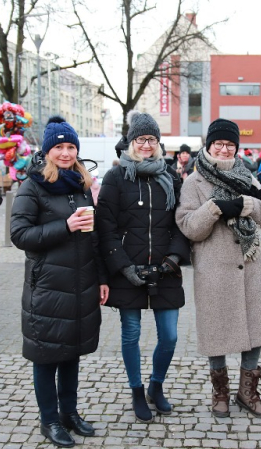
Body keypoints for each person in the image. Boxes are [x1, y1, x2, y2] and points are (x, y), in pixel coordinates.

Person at [10, 117, 108, 448]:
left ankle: (70, 413)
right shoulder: (32, 185)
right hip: (48, 286)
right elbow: (19, 235)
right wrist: (64, 226)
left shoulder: (81, 184)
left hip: (81, 284)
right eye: (59, 147)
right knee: (46, 356)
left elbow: (94, 237)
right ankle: (49, 420)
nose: (66, 153)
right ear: (48, 151)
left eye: (71, 147)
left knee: (71, 354)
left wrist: (102, 279)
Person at [176, 118, 261, 419]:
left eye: (230, 145)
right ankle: (219, 391)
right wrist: (214, 208)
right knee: (217, 331)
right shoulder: (193, 183)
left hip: (250, 267)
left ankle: (247, 391)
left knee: (255, 329)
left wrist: (247, 204)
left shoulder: (246, 176)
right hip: (214, 269)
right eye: (218, 144)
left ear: (236, 148)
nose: (224, 149)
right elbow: (188, 227)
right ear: (208, 146)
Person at [96, 111, 190, 422]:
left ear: (158, 142)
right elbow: (105, 227)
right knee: (131, 334)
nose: (146, 144)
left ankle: (156, 386)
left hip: (165, 269)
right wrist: (123, 267)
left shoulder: (171, 177)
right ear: (131, 141)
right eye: (140, 139)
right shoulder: (116, 177)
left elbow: (181, 223)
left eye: (151, 139)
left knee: (170, 336)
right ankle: (137, 390)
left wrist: (174, 258)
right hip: (128, 269)